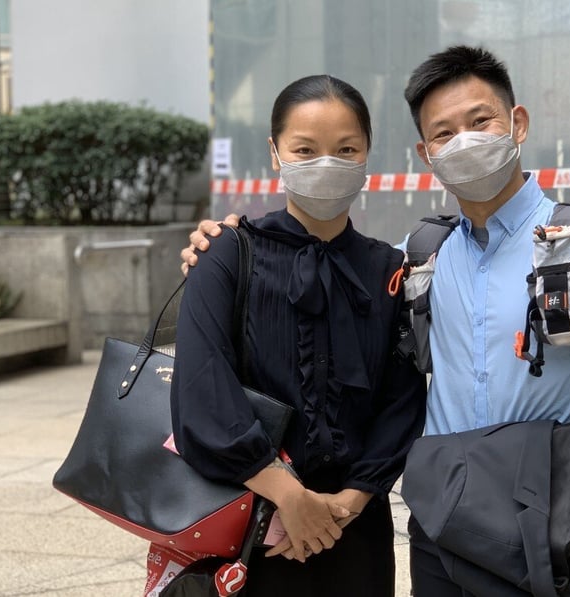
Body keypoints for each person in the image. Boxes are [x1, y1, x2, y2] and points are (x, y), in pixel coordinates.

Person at [184, 46, 570, 596]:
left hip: (542, 516)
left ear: (516, 123)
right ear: (427, 154)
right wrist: (220, 243)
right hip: (439, 525)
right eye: (444, 134)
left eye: (479, 121)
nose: (464, 141)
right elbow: (325, 267)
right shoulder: (419, 258)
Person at [170, 74, 427, 597]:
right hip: (243, 524)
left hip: (353, 533)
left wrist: (348, 503)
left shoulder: (390, 270)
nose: (326, 164)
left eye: (345, 149)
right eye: (305, 150)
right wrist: (290, 496)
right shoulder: (227, 253)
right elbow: (201, 390)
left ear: (366, 156)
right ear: (275, 152)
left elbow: (403, 399)